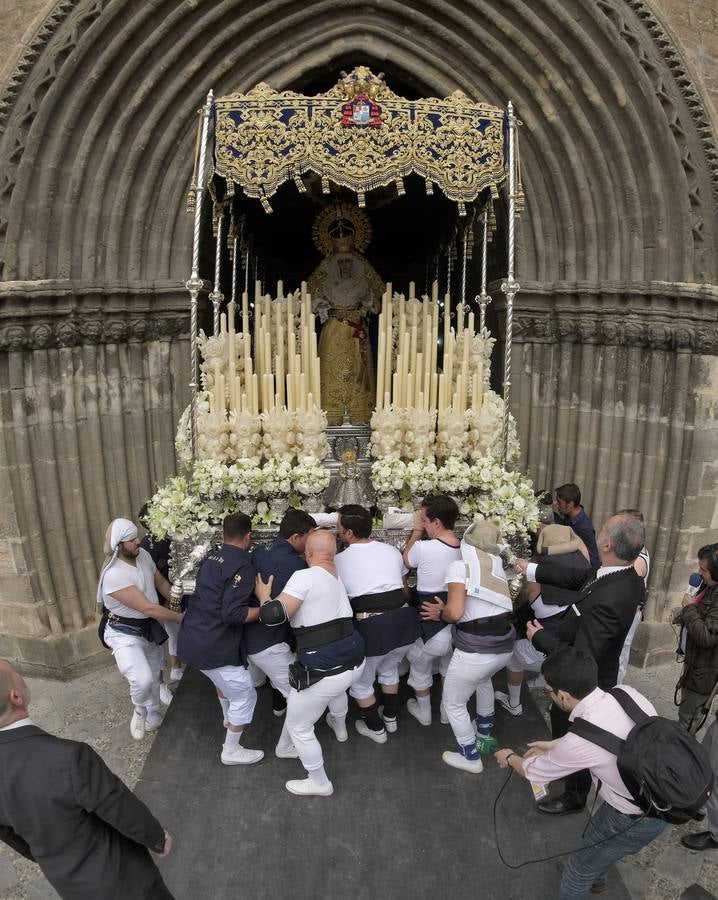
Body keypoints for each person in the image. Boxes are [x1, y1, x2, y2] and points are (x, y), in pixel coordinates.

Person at [495, 647, 666, 899]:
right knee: (602, 841)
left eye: (548, 692)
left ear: (564, 696)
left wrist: (509, 758)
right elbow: (610, 740)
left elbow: (534, 772)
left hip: (634, 815)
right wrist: (556, 745)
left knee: (577, 872)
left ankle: (589, 874)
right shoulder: (625, 693)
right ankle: (597, 877)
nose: (550, 695)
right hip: (654, 792)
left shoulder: (578, 743)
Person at [0, 659, 174, 899]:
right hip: (124, 881)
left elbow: (12, 837)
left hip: (69, 885)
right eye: (17, 674)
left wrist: (49, 855)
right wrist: (156, 838)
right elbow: (119, 807)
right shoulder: (69, 757)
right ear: (16, 697)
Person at [514, 513, 646, 814]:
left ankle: (574, 796)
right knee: (563, 729)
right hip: (584, 667)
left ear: (608, 544)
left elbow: (583, 658)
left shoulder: (614, 596)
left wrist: (540, 638)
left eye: (601, 532)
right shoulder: (618, 573)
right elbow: (580, 579)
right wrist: (529, 568)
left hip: (583, 685)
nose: (597, 535)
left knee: (574, 735)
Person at [255, 529, 366, 796]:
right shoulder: (337, 575)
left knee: (300, 726)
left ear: (307, 553)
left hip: (325, 667)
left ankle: (319, 781)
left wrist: (263, 595)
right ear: (334, 553)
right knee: (329, 692)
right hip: (355, 661)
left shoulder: (304, 576)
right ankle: (339, 730)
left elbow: (273, 615)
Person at [422, 520, 516, 774]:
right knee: (483, 682)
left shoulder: (460, 566)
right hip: (504, 645)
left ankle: (470, 756)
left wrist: (441, 613)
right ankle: (484, 733)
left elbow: (455, 612)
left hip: (476, 649)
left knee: (453, 703)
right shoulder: (497, 565)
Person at [177, 513, 264, 766]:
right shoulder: (244, 565)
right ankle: (231, 750)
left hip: (191, 638)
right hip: (213, 645)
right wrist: (266, 608)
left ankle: (228, 718)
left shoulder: (210, 558)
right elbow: (233, 613)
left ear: (222, 534)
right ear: (249, 537)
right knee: (246, 695)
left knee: (222, 682)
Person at [335, 504, 420, 742]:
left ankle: (376, 729)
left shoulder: (338, 561)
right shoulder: (391, 552)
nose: (337, 531)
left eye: (339, 527)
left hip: (371, 628)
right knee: (390, 668)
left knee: (362, 682)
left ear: (349, 533)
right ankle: (391, 718)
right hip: (403, 624)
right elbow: (404, 592)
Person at [97, 518, 183, 741]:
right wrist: (183, 618)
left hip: (149, 628)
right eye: (132, 540)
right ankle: (139, 711)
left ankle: (153, 715)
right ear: (119, 544)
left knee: (155, 675)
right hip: (124, 633)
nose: (138, 541)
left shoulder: (142, 555)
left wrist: (180, 600)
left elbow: (162, 584)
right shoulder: (114, 574)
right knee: (142, 679)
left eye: (137, 537)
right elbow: (148, 608)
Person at [494, 523, 590, 716]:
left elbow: (516, 601)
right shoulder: (587, 569)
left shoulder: (534, 580)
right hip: (580, 645)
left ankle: (514, 704)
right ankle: (543, 679)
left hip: (549, 646)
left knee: (512, 655)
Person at [308, 208, 384, 424]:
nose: (344, 265)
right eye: (340, 262)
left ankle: (360, 414)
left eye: (348, 261)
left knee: (358, 373)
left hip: (357, 331)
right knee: (331, 370)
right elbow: (309, 302)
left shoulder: (363, 275)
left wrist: (365, 307)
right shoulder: (324, 274)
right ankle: (331, 415)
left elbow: (377, 304)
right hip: (333, 330)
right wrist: (322, 306)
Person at [247, 509, 316, 727]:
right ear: (296, 537)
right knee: (299, 695)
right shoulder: (296, 566)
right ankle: (293, 741)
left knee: (263, 681)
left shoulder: (258, 551)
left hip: (249, 634)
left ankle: (278, 705)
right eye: (309, 537)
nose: (311, 542)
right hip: (270, 642)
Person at [402, 494, 462, 726]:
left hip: (431, 629)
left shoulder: (424, 547)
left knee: (418, 663)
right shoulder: (464, 547)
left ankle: (425, 712)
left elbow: (406, 561)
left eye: (425, 521)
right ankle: (447, 711)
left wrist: (416, 533)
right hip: (457, 628)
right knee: (448, 667)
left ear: (436, 522)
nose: (423, 526)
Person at [138, 503, 184, 696]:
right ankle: (174, 667)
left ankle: (177, 666)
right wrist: (166, 602)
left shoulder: (176, 536)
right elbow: (155, 579)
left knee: (176, 632)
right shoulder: (145, 547)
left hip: (178, 590)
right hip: (160, 599)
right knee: (169, 634)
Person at [673, 543, 718, 732]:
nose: (699, 573)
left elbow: (707, 637)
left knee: (687, 723)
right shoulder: (708, 586)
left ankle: (678, 758)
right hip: (694, 664)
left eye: (703, 569)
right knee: (684, 715)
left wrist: (689, 608)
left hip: (703, 674)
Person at [615, 508, 651, 685]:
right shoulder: (635, 551)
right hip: (627, 610)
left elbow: (626, 590)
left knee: (620, 651)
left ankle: (615, 688)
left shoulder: (637, 560)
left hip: (628, 612)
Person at [554, 483, 599, 568]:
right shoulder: (568, 516)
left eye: (559, 503)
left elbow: (593, 560)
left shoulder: (585, 528)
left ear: (570, 504)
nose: (556, 505)